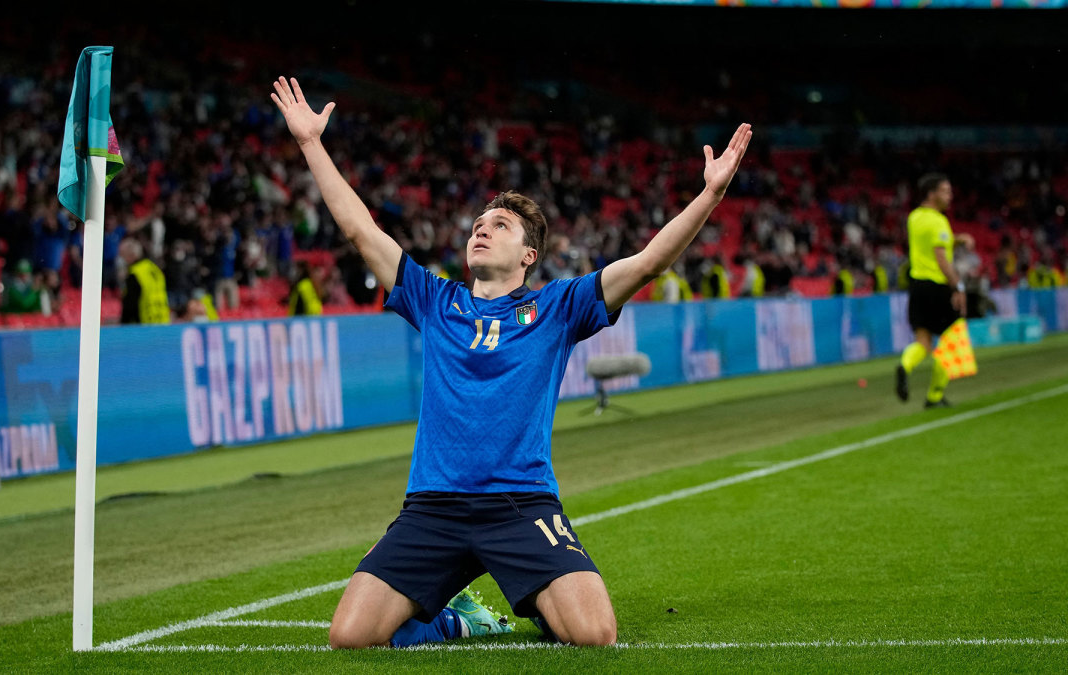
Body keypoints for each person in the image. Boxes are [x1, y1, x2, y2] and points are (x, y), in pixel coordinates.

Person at [271, 76, 751, 649]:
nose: (482, 229)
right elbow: (358, 228)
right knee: (349, 638)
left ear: (528, 255)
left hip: (520, 506)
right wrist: (310, 144)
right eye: (478, 224)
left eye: (499, 226)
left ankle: (535, 598)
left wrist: (711, 195)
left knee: (595, 635)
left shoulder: (558, 307)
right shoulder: (435, 299)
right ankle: (453, 619)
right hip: (433, 508)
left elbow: (648, 263)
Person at [895, 173, 972, 409]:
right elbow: (941, 257)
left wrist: (957, 240)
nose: (950, 196)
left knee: (923, 342)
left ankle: (905, 366)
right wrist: (957, 286)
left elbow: (934, 244)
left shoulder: (914, 218)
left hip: (917, 286)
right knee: (953, 340)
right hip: (938, 287)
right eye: (945, 191)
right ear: (931, 194)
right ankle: (934, 396)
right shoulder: (938, 221)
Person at [118, 238, 171, 325]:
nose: (122, 259)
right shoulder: (154, 268)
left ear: (132, 255)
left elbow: (130, 305)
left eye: (123, 255)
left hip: (145, 325)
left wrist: (123, 327)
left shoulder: (135, 274)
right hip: (163, 321)